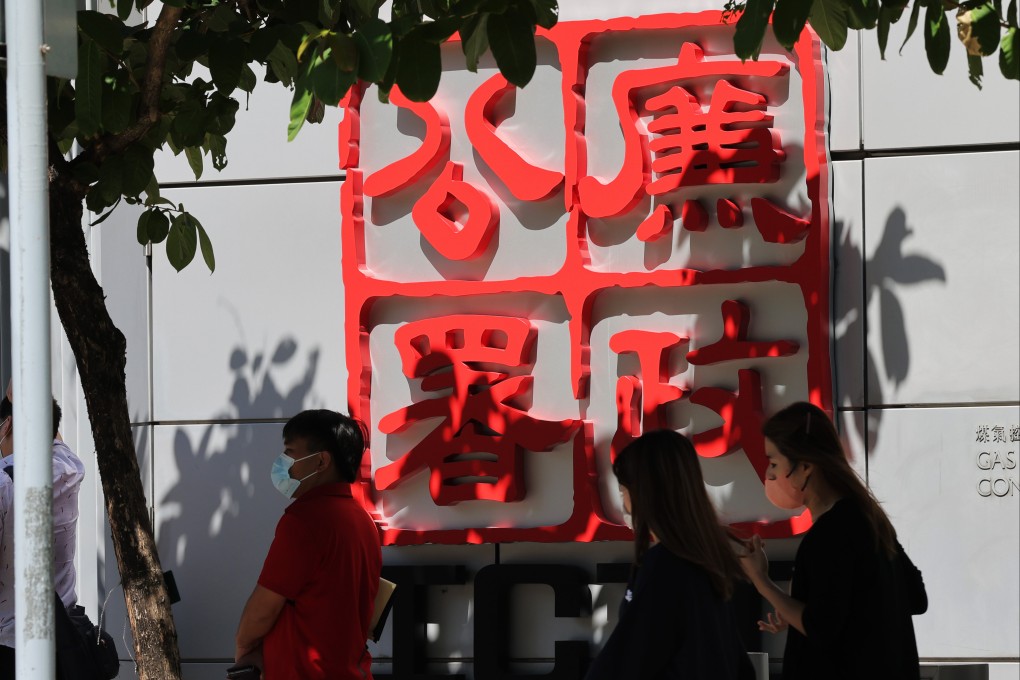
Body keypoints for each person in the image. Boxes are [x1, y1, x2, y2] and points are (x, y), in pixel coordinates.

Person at [740, 401, 928, 680]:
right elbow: (915, 598)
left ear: (805, 466)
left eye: (774, 463)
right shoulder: (868, 519)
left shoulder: (829, 535)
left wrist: (761, 581)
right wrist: (797, 610)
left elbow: (821, 627)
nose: (769, 474)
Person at [586, 429, 755, 680]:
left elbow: (625, 661)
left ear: (643, 494)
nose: (623, 503)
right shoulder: (709, 560)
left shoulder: (664, 566)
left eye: (623, 491)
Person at [235, 409, 382, 680]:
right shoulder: (363, 521)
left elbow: (264, 609)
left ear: (321, 461)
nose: (283, 461)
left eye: (290, 452)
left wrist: (244, 647)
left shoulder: (304, 521)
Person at [0, 393, 87, 678]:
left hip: (12, 645)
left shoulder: (4, 485)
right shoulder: (68, 467)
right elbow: (50, 431)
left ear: (7, 425)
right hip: (65, 640)